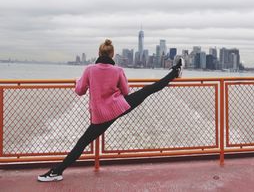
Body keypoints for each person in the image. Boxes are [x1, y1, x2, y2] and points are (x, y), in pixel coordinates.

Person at [38, 39, 184, 182]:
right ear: (112, 55)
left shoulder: (89, 70)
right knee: (147, 90)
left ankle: (56, 171)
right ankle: (174, 73)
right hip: (119, 107)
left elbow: (80, 91)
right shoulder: (118, 70)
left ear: (99, 53)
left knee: (82, 143)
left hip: (101, 116)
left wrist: (78, 81)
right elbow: (126, 92)